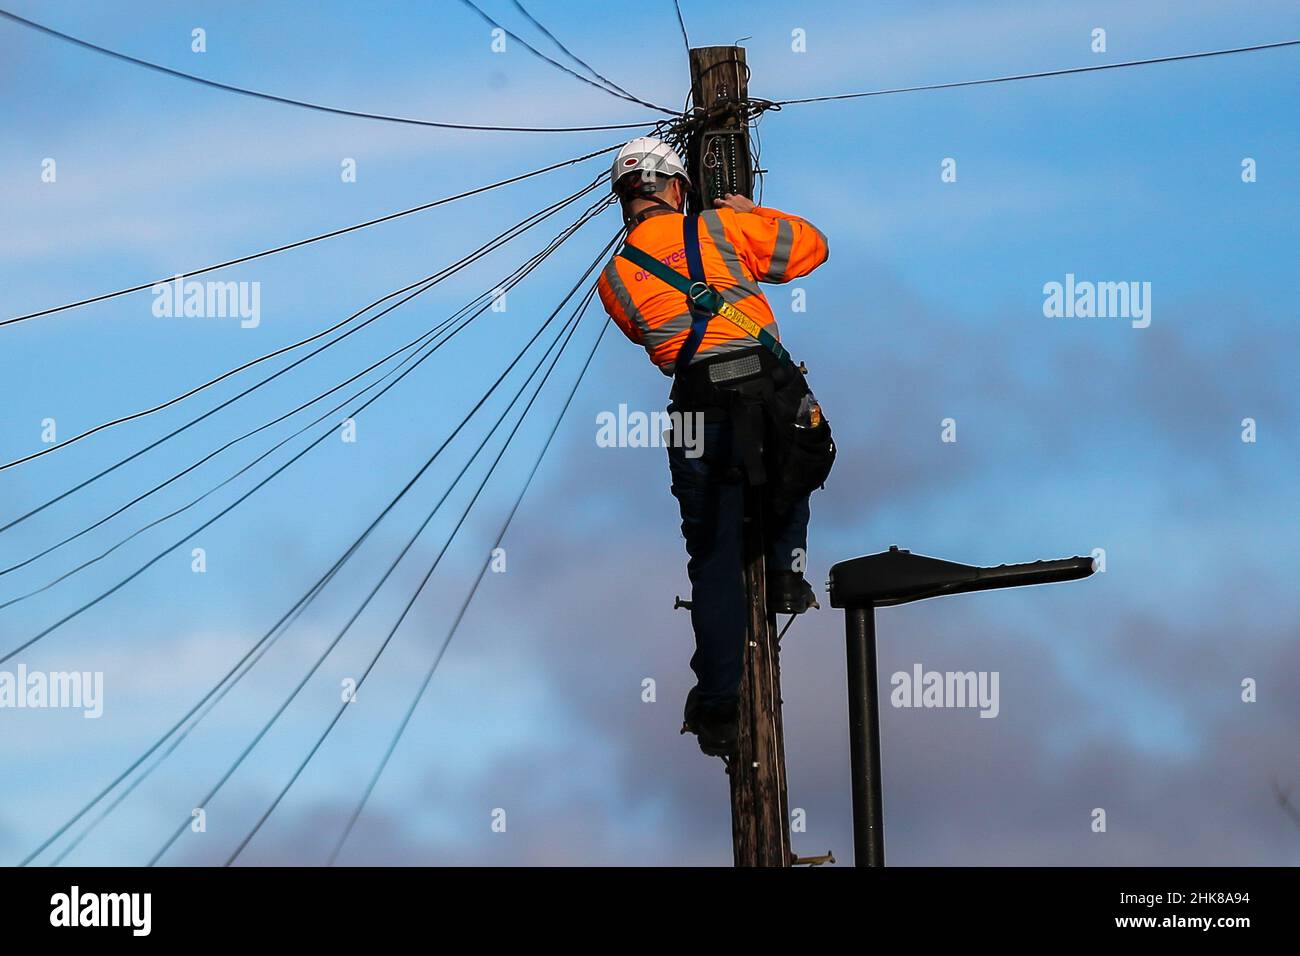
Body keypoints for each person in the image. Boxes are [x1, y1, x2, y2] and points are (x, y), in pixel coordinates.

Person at [596, 136, 830, 756]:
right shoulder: (723, 227)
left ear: (625, 201)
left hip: (696, 403)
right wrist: (750, 216)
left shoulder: (614, 278)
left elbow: (649, 341)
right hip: (762, 379)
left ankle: (720, 706)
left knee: (715, 556)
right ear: (678, 188)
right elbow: (812, 249)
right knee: (798, 458)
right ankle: (786, 572)